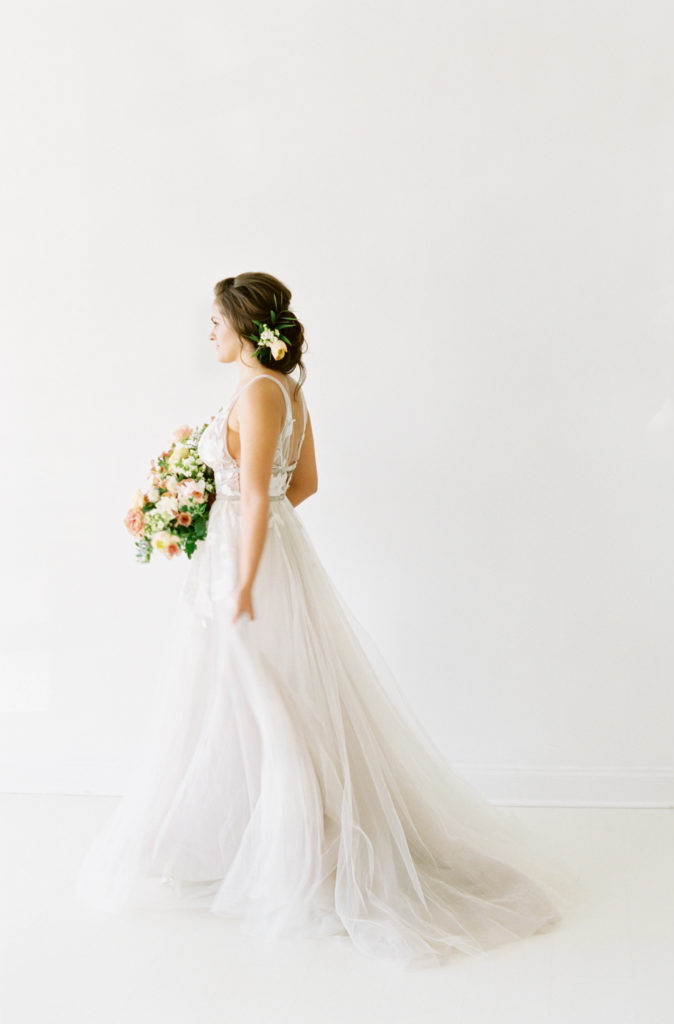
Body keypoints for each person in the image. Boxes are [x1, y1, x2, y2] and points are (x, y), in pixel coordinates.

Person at [75, 271, 571, 969]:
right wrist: (245, 529)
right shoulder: (287, 391)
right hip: (264, 551)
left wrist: (243, 575)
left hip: (245, 566)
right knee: (250, 694)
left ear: (246, 328)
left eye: (215, 322)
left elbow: (254, 494)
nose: (207, 333)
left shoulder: (255, 391)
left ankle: (286, 851)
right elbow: (300, 485)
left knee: (260, 696)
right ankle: (244, 836)